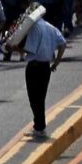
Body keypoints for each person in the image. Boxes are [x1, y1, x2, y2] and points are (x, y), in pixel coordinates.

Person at [18, 8, 66, 136]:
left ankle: (39, 126)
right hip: (45, 66)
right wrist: (56, 62)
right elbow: (63, 43)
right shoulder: (50, 27)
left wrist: (16, 49)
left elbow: (31, 49)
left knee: (34, 98)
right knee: (41, 97)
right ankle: (39, 125)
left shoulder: (35, 28)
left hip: (34, 65)